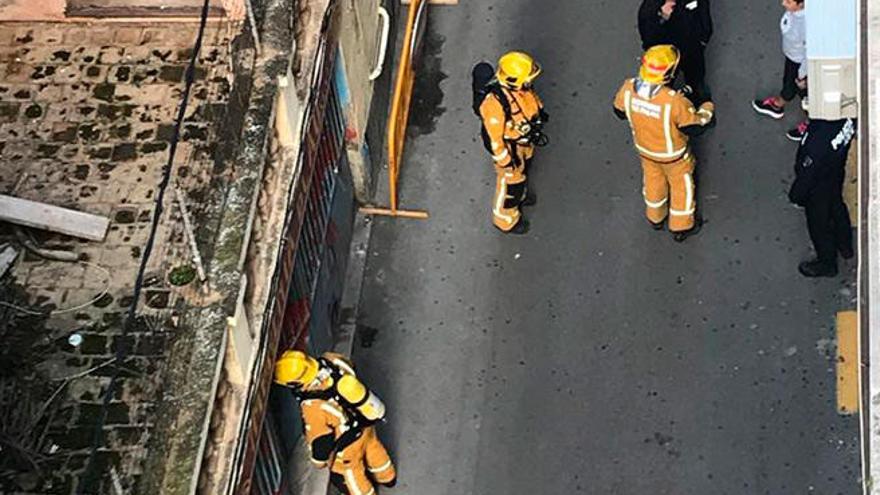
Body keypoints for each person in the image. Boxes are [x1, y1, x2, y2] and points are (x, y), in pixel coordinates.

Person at [613, 45, 715, 242]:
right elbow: (694, 126)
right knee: (682, 186)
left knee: (653, 181)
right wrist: (707, 108)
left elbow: (619, 111)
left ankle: (655, 217)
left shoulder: (628, 88)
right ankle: (681, 225)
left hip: (645, 151)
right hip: (674, 157)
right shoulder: (674, 102)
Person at [275, 350, 397, 495]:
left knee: (351, 475)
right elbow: (352, 369)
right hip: (365, 421)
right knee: (373, 448)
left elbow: (321, 440)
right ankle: (387, 477)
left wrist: (318, 461)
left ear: (295, 383)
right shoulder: (332, 360)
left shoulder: (312, 406)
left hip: (348, 447)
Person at [476, 51, 548, 234]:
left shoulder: (520, 90)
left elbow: (530, 101)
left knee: (524, 171)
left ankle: (521, 196)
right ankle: (505, 220)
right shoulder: (494, 105)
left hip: (524, 142)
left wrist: (539, 114)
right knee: (510, 185)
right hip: (510, 149)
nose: (529, 82)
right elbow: (495, 140)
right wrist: (505, 161)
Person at [788, 118, 856, 277]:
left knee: (818, 224)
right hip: (835, 171)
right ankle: (845, 245)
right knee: (837, 206)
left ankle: (827, 263)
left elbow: (808, 172)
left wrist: (796, 195)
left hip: (818, 185)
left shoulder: (818, 139)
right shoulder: (846, 120)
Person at [751, 0, 809, 141]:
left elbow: (810, 52)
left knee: (806, 95)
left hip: (800, 63)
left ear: (801, 4)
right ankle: (779, 103)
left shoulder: (807, 24)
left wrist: (803, 75)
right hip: (793, 58)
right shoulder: (795, 13)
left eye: (789, 2)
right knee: (789, 83)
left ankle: (812, 124)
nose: (783, 3)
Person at [638, 0, 713, 105]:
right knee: (662, 85)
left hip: (691, 47)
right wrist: (662, 16)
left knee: (696, 76)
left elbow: (703, 12)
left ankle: (697, 96)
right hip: (665, 54)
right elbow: (647, 34)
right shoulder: (651, 6)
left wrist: (703, 39)